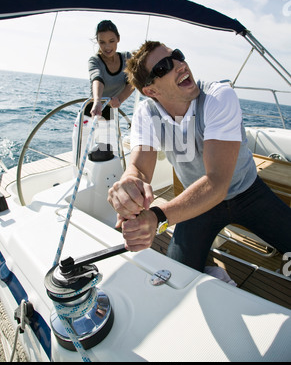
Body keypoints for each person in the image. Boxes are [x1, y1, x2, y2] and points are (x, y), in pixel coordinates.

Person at [107, 40, 291, 272]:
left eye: (178, 56)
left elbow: (217, 182)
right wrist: (129, 186)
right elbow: (140, 169)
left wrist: (157, 217)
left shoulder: (218, 97)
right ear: (151, 91)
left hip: (247, 192)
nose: (180, 65)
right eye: (164, 66)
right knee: (178, 273)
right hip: (197, 201)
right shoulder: (147, 113)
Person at [87, 20, 134, 119]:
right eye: (102, 42)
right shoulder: (94, 61)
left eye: (111, 41)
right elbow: (97, 79)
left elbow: (133, 82)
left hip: (112, 112)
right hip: (93, 110)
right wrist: (97, 101)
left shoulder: (127, 58)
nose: (107, 47)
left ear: (118, 39)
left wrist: (120, 99)